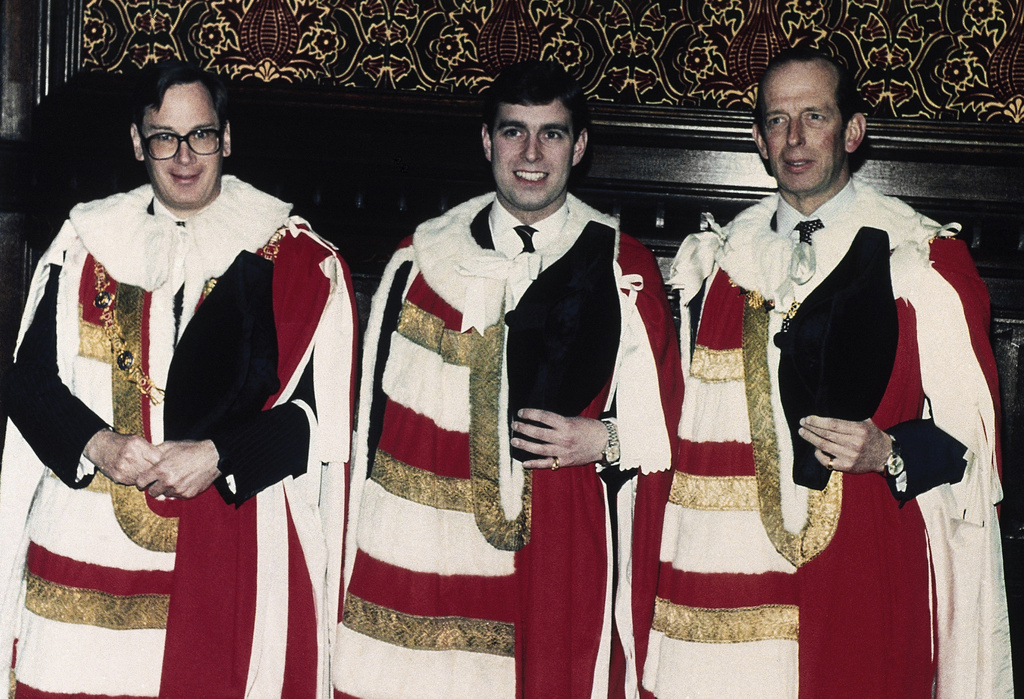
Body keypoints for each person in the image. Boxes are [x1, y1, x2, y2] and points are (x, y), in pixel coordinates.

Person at [641, 46, 1012, 698]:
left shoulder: (921, 260)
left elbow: (975, 451)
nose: (795, 138)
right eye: (778, 121)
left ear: (853, 130)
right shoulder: (720, 268)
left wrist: (891, 449)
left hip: (867, 565)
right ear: (757, 138)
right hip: (733, 586)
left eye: (814, 115)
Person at [0, 61, 356, 697]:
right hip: (86, 546)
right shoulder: (85, 241)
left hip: (230, 546)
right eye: (164, 137)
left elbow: (319, 420)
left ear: (227, 138)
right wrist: (99, 445)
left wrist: (221, 455)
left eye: (202, 135)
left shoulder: (295, 257)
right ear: (138, 143)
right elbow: (29, 383)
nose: (184, 156)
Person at [333, 60, 682, 698]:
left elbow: (669, 421)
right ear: (487, 140)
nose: (531, 152)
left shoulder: (620, 267)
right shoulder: (424, 262)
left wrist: (604, 439)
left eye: (551, 134)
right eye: (514, 131)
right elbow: (371, 433)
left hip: (564, 534)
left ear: (578, 147)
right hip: (434, 540)